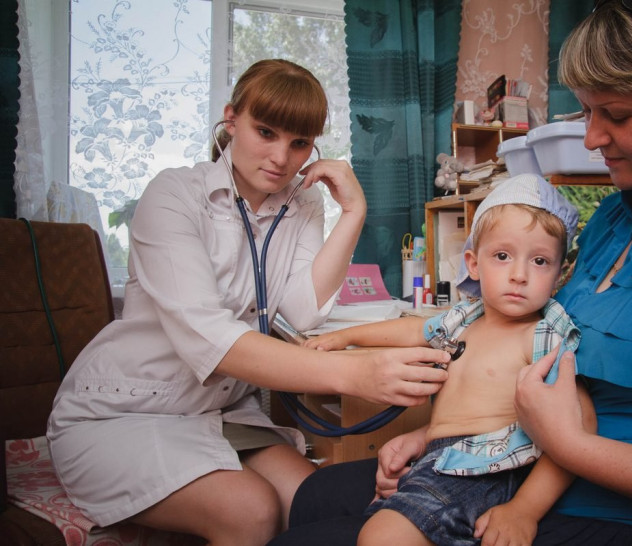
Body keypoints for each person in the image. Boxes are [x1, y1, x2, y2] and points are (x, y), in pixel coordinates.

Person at [270, 1, 632, 544]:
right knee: (313, 497)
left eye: (617, 115)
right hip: (527, 464)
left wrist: (573, 449)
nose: (592, 139)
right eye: (586, 112)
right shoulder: (612, 218)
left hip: (627, 513)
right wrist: (440, 438)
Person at [46, 59, 451, 546]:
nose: (281, 157)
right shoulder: (174, 195)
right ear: (231, 120)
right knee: (250, 511)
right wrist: (356, 373)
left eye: (299, 143)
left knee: (314, 502)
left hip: (216, 411)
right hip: (124, 409)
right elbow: (211, 339)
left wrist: (353, 211)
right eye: (265, 132)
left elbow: (300, 312)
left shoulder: (301, 203)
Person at [303, 174, 595, 546]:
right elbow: (412, 330)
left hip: (485, 472)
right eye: (502, 256)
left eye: (539, 261)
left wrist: (524, 510)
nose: (519, 275)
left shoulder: (540, 338)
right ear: (473, 263)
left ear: (559, 275)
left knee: (382, 537)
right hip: (439, 459)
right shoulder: (465, 319)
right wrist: (346, 336)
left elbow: (578, 427)